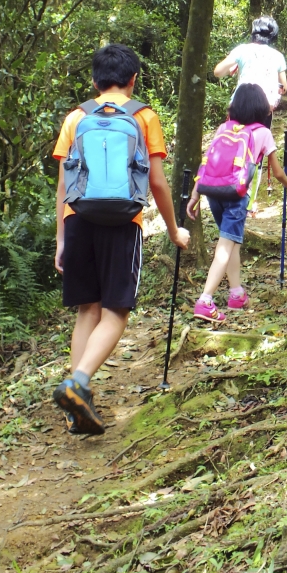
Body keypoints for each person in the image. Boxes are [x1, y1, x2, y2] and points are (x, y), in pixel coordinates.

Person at [51, 44, 190, 434]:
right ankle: (77, 384)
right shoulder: (144, 116)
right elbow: (158, 182)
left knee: (87, 310)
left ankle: (77, 405)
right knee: (116, 311)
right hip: (123, 220)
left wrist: (61, 238)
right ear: (133, 80)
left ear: (94, 81)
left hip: (78, 218)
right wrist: (175, 228)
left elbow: (63, 183)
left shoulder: (76, 117)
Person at [187, 83, 287, 323]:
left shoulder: (224, 128)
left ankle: (236, 294)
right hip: (236, 195)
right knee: (225, 246)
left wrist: (195, 196)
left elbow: (206, 163)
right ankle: (205, 300)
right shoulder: (263, 133)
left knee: (232, 242)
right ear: (261, 109)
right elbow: (277, 172)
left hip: (213, 192)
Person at [213, 16, 287, 126]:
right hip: (264, 108)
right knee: (260, 141)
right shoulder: (278, 56)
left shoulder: (242, 50)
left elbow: (218, 72)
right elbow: (284, 88)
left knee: (237, 140)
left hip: (241, 105)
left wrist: (234, 67)